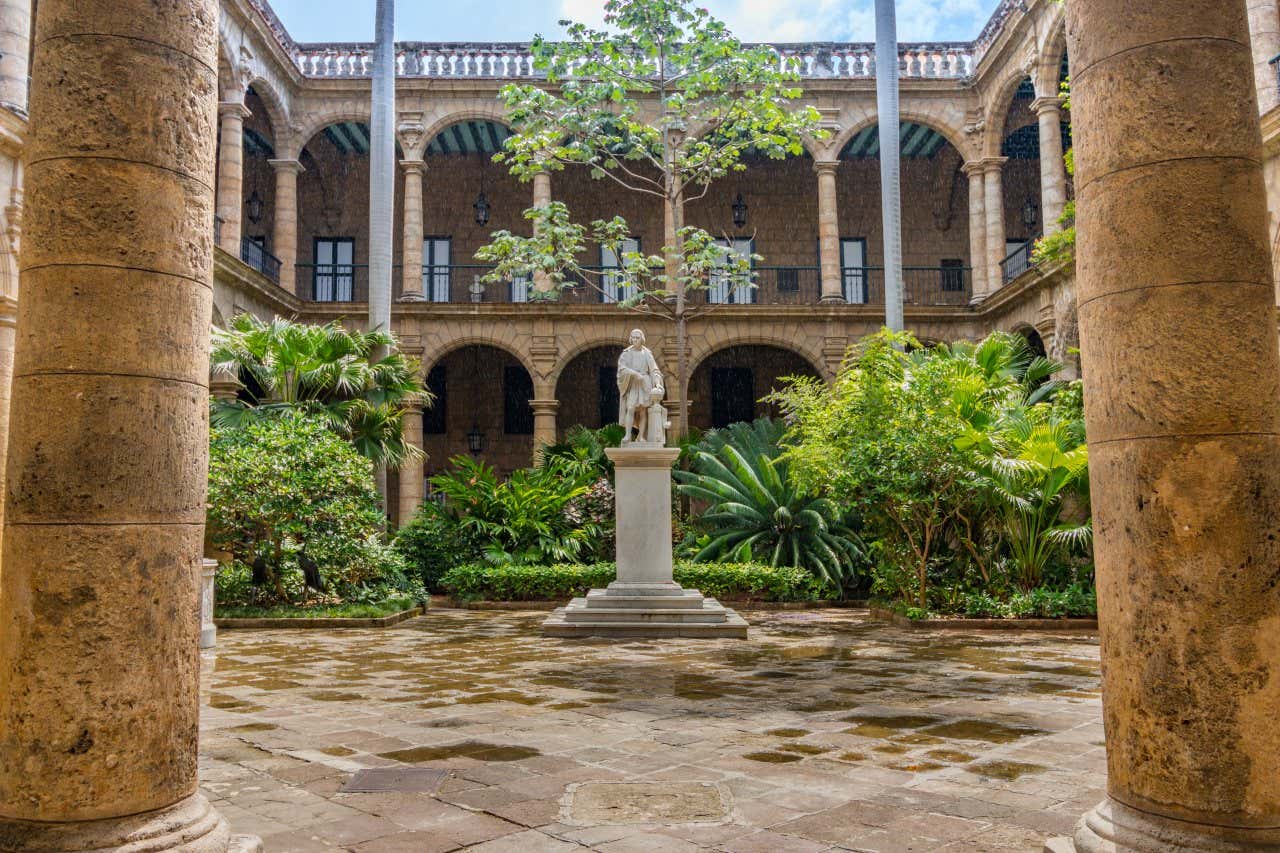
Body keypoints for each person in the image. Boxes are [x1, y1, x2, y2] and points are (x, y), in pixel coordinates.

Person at [617, 328, 664, 443]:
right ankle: (628, 435)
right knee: (631, 407)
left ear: (642, 339)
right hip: (633, 383)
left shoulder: (647, 353)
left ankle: (641, 436)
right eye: (633, 337)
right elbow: (622, 369)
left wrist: (657, 383)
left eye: (637, 337)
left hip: (645, 383)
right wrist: (634, 373)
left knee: (643, 410)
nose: (635, 340)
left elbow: (654, 370)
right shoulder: (626, 353)